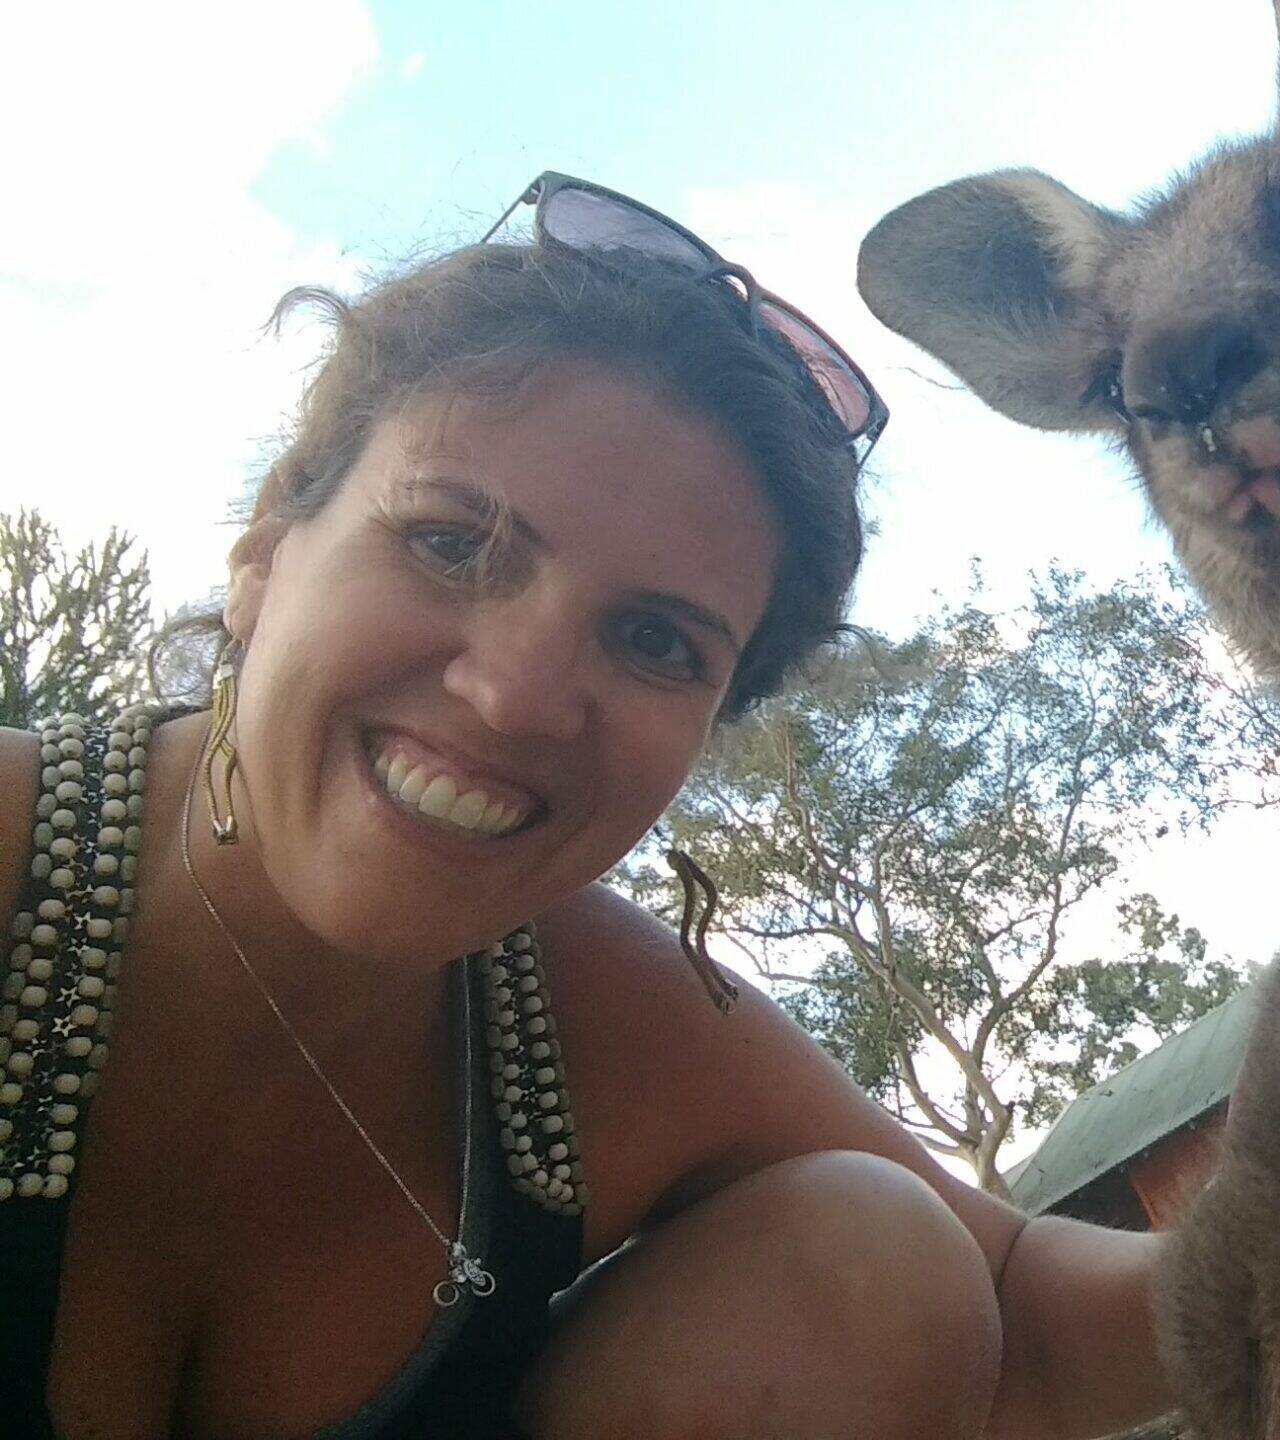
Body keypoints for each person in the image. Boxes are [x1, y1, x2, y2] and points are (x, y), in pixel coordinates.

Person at [0, 173, 1169, 1438]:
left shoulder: (585, 1024)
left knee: (872, 1260)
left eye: (656, 643)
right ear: (270, 546)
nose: (513, 699)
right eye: (453, 543)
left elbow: (1021, 1302)